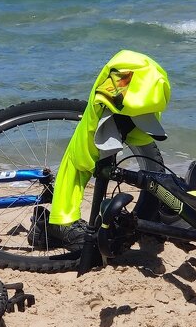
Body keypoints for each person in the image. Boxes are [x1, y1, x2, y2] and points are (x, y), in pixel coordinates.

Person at [28, 50, 171, 253]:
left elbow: (80, 161)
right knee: (85, 156)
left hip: (131, 74)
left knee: (82, 156)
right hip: (150, 77)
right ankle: (59, 225)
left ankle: (59, 224)